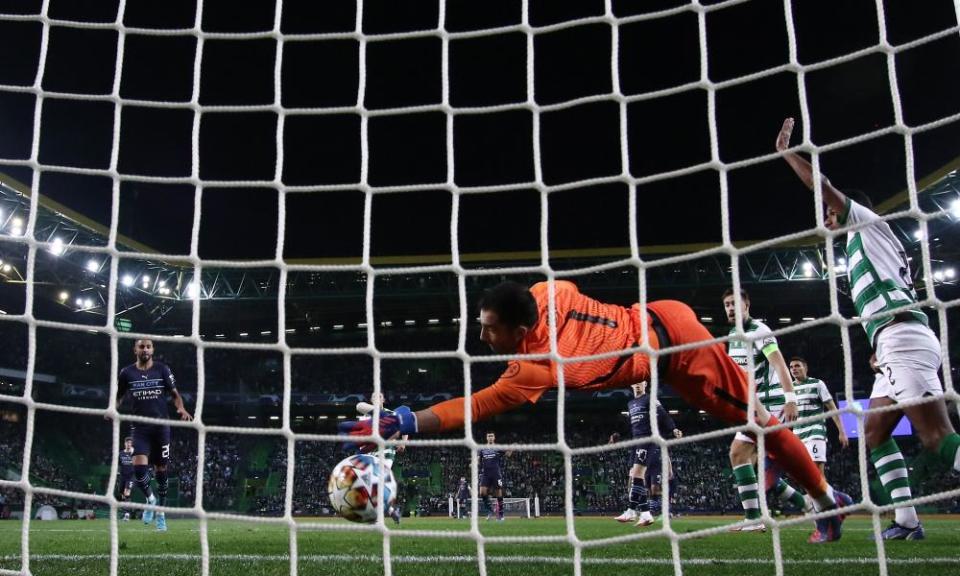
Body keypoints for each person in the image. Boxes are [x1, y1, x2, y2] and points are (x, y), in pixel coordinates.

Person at [342, 280, 853, 542]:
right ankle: (818, 496)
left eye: (489, 327)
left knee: (757, 427)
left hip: (679, 343)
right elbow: (473, 408)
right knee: (749, 434)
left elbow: (568, 346)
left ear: (519, 330)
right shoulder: (544, 306)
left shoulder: (540, 359)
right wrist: (406, 421)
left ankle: (828, 498)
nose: (481, 335)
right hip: (657, 343)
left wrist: (621, 353)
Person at [777, 116, 960, 540]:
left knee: (935, 437)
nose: (828, 215)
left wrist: (788, 154)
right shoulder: (873, 245)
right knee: (876, 433)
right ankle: (907, 522)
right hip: (898, 339)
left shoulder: (867, 224)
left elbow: (822, 186)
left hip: (904, 340)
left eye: (832, 211)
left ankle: (907, 520)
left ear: (849, 210)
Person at [722, 289, 807, 531]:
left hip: (771, 403)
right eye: (726, 304)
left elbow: (779, 364)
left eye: (734, 303)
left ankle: (754, 519)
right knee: (756, 463)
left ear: (746, 304)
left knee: (738, 454)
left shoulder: (759, 331)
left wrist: (791, 399)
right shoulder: (733, 335)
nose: (730, 308)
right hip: (753, 406)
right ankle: (808, 504)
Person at [114, 339, 192, 532]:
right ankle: (151, 499)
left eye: (148, 346)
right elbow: (119, 395)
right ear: (135, 350)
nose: (145, 349)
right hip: (140, 428)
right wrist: (112, 409)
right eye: (142, 346)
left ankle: (161, 514)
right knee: (139, 469)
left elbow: (174, 394)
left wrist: (181, 409)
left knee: (161, 471)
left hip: (161, 427)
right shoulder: (126, 372)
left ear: (153, 349)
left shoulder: (162, 369)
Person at [610, 380, 683, 527]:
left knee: (637, 475)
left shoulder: (650, 399)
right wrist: (618, 435)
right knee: (634, 476)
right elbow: (632, 425)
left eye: (640, 382)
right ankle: (645, 514)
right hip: (635, 441)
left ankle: (631, 510)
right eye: (634, 383)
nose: (637, 384)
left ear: (645, 385)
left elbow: (663, 415)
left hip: (648, 438)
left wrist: (673, 429)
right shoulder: (630, 404)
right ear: (631, 386)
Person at [788, 357, 849, 473]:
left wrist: (842, 431)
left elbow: (832, 409)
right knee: (803, 474)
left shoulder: (817, 384)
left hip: (815, 433)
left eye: (797, 366)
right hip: (797, 436)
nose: (793, 369)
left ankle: (823, 492)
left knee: (817, 473)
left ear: (805, 368)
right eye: (791, 367)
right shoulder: (789, 388)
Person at [356, 393, 405, 524]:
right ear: (371, 401)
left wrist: (403, 442)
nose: (377, 399)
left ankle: (377, 517)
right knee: (369, 484)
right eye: (374, 397)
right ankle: (391, 511)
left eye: (379, 397)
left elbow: (405, 428)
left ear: (384, 399)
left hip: (387, 452)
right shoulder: (365, 417)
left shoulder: (392, 414)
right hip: (371, 453)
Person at [479, 432, 511, 521]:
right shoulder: (482, 449)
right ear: (486, 438)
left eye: (491, 436)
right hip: (485, 474)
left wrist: (511, 449)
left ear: (494, 437)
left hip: (496, 473)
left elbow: (508, 455)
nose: (490, 437)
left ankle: (501, 514)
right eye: (489, 436)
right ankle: (490, 511)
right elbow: (478, 460)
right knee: (482, 492)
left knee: (498, 494)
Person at [118, 436, 135, 521]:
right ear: (125, 444)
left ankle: (127, 514)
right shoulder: (120, 453)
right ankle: (126, 512)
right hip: (122, 477)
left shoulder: (134, 453)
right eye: (127, 443)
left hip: (130, 477)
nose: (129, 444)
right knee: (122, 494)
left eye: (130, 443)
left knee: (127, 493)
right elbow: (118, 464)